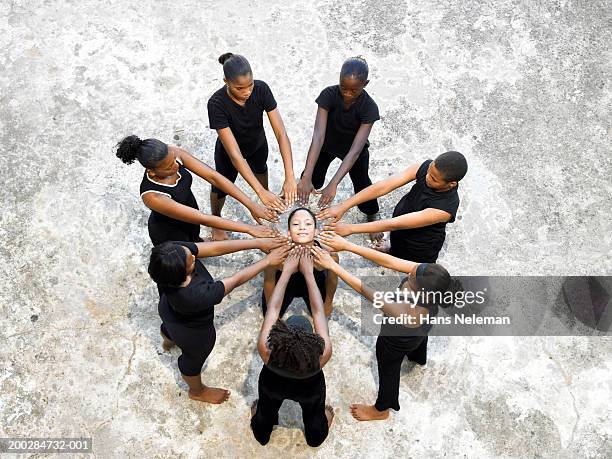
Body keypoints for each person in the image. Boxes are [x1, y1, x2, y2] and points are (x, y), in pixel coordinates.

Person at [311, 243, 451, 422]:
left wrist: (333, 266)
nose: (409, 273)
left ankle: (382, 409)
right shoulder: (431, 278)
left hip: (395, 342)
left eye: (412, 278)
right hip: (423, 326)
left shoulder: (409, 313)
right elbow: (389, 261)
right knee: (419, 340)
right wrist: (346, 245)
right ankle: (418, 357)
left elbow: (364, 290)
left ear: (422, 292)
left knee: (389, 371)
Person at [148, 236, 291, 403]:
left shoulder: (168, 257)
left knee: (169, 329)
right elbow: (237, 280)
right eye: (191, 261)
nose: (194, 256)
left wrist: (257, 242)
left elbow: (210, 248)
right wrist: (267, 262)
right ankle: (197, 391)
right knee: (192, 360)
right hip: (193, 334)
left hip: (167, 309)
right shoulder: (198, 295)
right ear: (183, 273)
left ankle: (168, 341)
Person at [116, 136, 278, 246]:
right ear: (152, 172)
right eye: (169, 167)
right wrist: (249, 229)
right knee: (190, 255)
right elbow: (203, 218)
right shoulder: (152, 196)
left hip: (191, 215)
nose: (177, 165)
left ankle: (198, 241)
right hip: (170, 232)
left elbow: (213, 177)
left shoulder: (173, 154)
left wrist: (251, 205)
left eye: (174, 159)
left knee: (196, 238)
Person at [208, 52, 297, 240]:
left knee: (260, 169)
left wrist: (290, 176)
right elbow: (235, 155)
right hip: (229, 153)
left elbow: (281, 133)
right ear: (226, 81)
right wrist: (259, 191)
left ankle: (265, 205)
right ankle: (215, 219)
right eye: (240, 88)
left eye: (250, 85)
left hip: (257, 143)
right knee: (221, 187)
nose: (247, 92)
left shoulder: (262, 89)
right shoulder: (216, 103)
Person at [318, 150, 468, 263]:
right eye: (429, 170)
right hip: (400, 231)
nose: (427, 177)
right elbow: (384, 186)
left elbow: (396, 224)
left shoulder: (445, 208)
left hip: (419, 244)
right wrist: (344, 206)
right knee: (396, 242)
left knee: (405, 261)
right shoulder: (427, 168)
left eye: (434, 179)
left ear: (451, 184)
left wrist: (351, 229)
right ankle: (392, 249)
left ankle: (393, 252)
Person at [251, 249, 334, 447]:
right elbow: (317, 310)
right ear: (315, 342)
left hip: (272, 384)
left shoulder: (266, 351)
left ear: (278, 338)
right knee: (315, 414)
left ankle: (262, 431)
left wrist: (286, 272)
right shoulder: (322, 356)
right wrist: (308, 274)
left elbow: (273, 308)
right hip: (310, 388)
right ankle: (316, 436)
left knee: (265, 408)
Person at [297, 56, 381, 240]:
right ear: (338, 79)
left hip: (353, 151)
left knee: (362, 184)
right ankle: (305, 189)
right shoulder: (328, 95)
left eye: (354, 90)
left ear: (365, 84)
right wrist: (306, 177)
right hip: (327, 144)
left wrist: (333, 184)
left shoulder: (369, 108)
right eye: (344, 88)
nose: (348, 93)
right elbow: (318, 136)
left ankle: (373, 216)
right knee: (312, 178)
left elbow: (355, 151)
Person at [263, 208, 338, 317]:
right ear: (288, 232)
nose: (302, 227)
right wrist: (270, 307)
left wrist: (328, 303)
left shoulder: (328, 255)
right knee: (272, 315)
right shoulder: (277, 255)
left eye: (308, 224)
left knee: (318, 314)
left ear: (316, 231)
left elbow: (332, 280)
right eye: (296, 224)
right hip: (285, 284)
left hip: (315, 283)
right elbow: (269, 281)